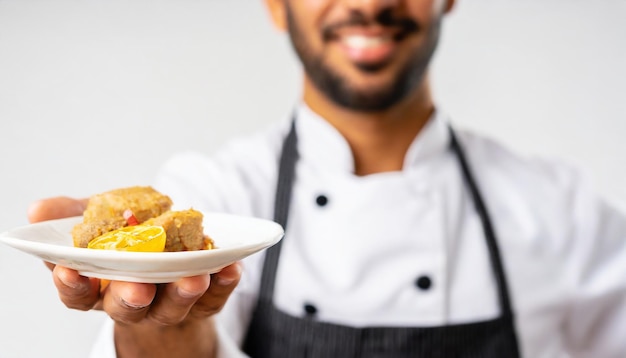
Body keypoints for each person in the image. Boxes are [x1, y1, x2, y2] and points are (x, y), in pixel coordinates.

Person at [27, 0, 626, 357]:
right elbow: (182, 345)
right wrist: (156, 314)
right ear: (274, 4)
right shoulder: (217, 197)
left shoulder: (558, 208)